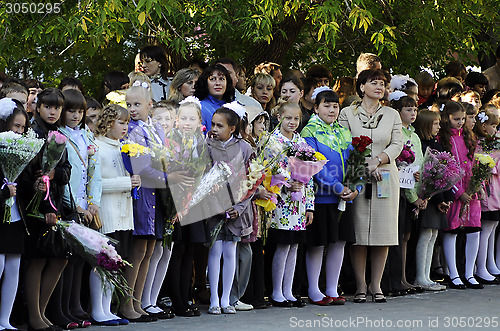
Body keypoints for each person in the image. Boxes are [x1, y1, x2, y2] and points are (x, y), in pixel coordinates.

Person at [338, 69, 403, 303]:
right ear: (362, 86)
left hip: (385, 174)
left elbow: (397, 143)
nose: (379, 86)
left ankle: (376, 284)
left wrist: (378, 160)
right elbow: (344, 142)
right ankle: (360, 285)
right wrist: (365, 164)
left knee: (382, 233)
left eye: (383, 83)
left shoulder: (392, 114)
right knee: (358, 233)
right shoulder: (347, 113)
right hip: (357, 174)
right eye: (373, 82)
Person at [18, 88, 72, 330]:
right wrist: (45, 203)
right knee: (38, 259)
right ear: (38, 107)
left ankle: (42, 312)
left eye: (57, 107)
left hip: (57, 204)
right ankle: (34, 317)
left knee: (60, 258)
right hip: (36, 206)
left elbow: (66, 171)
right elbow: (27, 176)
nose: (53, 112)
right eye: (48, 107)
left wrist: (55, 173)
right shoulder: (32, 134)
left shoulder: (58, 134)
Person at [302, 89, 358, 305]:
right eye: (327, 105)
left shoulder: (344, 132)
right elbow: (314, 166)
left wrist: (355, 187)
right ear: (315, 108)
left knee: (339, 243)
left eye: (335, 106)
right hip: (322, 197)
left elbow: (356, 161)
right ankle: (314, 289)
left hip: (344, 197)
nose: (332, 109)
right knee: (318, 243)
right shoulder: (310, 132)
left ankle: (332, 288)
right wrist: (335, 186)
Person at [52, 89, 102, 329]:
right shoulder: (58, 135)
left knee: (81, 258)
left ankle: (75, 306)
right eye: (71, 111)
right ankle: (61, 308)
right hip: (68, 204)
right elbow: (66, 176)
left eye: (79, 111)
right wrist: (76, 206)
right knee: (66, 259)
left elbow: (95, 173)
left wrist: (94, 202)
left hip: (86, 205)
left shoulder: (87, 136)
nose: (75, 116)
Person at [91, 104, 139, 326]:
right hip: (107, 211)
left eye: (127, 122)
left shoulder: (123, 147)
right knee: (102, 262)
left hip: (123, 212)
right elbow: (95, 182)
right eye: (121, 122)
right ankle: (97, 309)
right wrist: (126, 182)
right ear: (108, 122)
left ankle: (108, 307)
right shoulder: (98, 146)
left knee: (116, 262)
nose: (125, 127)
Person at [206, 106, 254, 315]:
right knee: (215, 251)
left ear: (232, 128)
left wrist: (239, 207)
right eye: (213, 124)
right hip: (213, 209)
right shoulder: (206, 146)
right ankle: (214, 298)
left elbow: (252, 182)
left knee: (230, 252)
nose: (214, 129)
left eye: (220, 125)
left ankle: (227, 299)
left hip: (236, 211)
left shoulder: (245, 149)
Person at [164, 97, 208, 317]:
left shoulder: (201, 142)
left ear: (199, 120)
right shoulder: (170, 140)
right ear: (176, 120)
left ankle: (186, 296)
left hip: (194, 200)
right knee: (178, 250)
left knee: (191, 249)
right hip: (175, 200)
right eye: (183, 118)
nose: (187, 123)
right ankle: (176, 300)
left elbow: (204, 168)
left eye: (192, 119)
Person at [266, 102, 313, 308]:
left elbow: (309, 176)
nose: (292, 122)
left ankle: (289, 290)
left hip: (299, 203)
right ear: (278, 117)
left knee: (294, 245)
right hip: (281, 202)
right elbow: (268, 171)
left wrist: (310, 205)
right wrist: (286, 182)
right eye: (288, 118)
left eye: (296, 119)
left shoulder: (301, 142)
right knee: (283, 245)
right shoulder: (272, 141)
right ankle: (276, 292)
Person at [438, 101, 482, 289]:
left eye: (463, 119)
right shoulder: (443, 139)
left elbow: (475, 162)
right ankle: (454, 274)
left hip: (471, 192)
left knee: (474, 230)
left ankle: (469, 273)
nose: (461, 123)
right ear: (447, 118)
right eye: (456, 119)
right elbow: (446, 167)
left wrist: (477, 184)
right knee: (452, 231)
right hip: (455, 191)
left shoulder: (469, 137)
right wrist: (458, 191)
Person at [387, 94, 426, 295]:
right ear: (398, 111)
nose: (413, 113)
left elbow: (417, 163)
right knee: (397, 234)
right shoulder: (396, 133)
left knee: (406, 236)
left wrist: (421, 189)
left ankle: (403, 277)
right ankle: (394, 279)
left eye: (415, 109)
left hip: (412, 189)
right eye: (408, 109)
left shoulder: (415, 135)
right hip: (399, 189)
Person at [412, 109, 450, 291]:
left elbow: (441, 174)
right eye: (436, 123)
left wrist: (443, 198)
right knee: (426, 234)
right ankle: (420, 276)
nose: (439, 126)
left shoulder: (436, 143)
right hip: (426, 196)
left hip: (435, 196)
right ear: (426, 124)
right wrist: (434, 197)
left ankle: (426, 276)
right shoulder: (424, 144)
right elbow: (429, 173)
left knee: (433, 235)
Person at [0, 98, 29, 330]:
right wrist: (3, 191)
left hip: (16, 215)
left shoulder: (23, 150)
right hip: (1, 214)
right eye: (15, 126)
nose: (19, 131)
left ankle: (4, 320)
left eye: (22, 127)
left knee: (13, 266)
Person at [473, 108, 500, 283]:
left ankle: (490, 264)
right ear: (483, 126)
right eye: (493, 126)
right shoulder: (481, 144)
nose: (495, 130)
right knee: (485, 229)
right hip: (488, 191)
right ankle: (480, 266)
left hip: (495, 190)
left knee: (492, 228)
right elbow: (485, 165)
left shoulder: (492, 144)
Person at [194, 64, 235, 132]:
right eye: (212, 79)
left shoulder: (232, 106)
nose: (218, 83)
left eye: (221, 79)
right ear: (205, 83)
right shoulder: (200, 107)